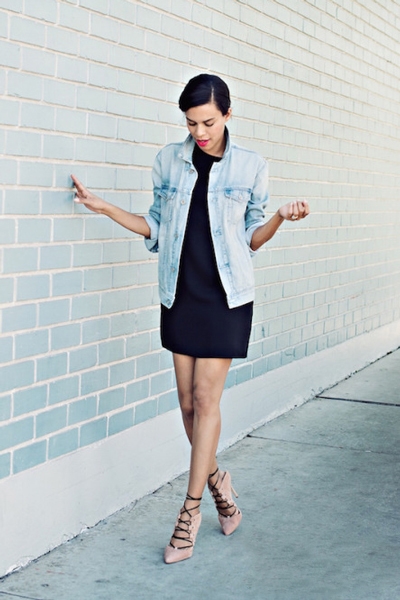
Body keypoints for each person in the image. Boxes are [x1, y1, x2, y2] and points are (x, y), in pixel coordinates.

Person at [71, 73, 309, 565]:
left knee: (205, 399)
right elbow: (155, 227)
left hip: (226, 297)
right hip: (180, 293)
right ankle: (220, 483)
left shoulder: (251, 166)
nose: (199, 132)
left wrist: (280, 218)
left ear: (227, 114)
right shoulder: (168, 161)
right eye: (191, 123)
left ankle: (189, 512)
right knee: (186, 405)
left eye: (208, 122)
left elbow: (251, 239)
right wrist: (104, 208)